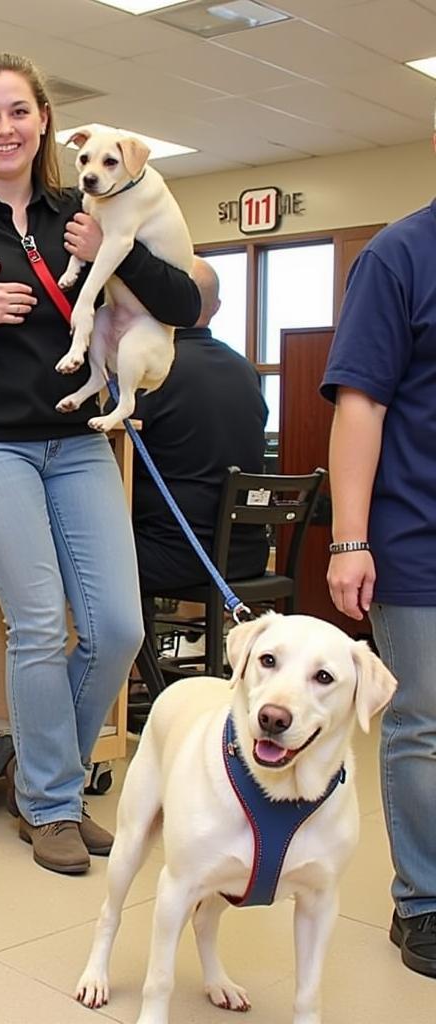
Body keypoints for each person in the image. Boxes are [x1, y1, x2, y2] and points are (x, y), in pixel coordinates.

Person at [0, 52, 200, 874]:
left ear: (46, 120)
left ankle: (38, 771)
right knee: (42, 622)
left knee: (120, 624)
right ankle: (52, 803)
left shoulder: (85, 203)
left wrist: (115, 249)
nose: (5, 127)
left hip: (78, 438)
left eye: (20, 111)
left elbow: (184, 304)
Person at [322, 124, 436, 979]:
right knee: (422, 725)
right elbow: (361, 404)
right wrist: (350, 539)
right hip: (416, 532)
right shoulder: (399, 256)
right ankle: (425, 904)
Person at [132, 257, 268, 596]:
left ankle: (130, 650)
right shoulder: (245, 370)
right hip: (246, 554)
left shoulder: (155, 368)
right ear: (217, 307)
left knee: (78, 556)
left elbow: (110, 451)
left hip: (175, 555)